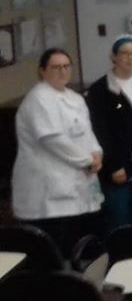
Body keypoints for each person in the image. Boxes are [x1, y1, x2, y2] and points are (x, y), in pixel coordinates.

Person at [12, 48, 104, 255]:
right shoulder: (38, 98)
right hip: (48, 194)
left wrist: (96, 153)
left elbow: (88, 133)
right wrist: (86, 160)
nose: (62, 71)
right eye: (55, 67)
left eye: (66, 66)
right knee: (56, 250)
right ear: (42, 71)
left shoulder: (75, 98)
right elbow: (52, 139)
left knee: (80, 246)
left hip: (78, 184)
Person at [86, 34, 132, 231]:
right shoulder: (100, 89)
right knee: (120, 216)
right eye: (124, 53)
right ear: (113, 57)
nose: (130, 58)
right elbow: (100, 131)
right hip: (118, 164)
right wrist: (114, 165)